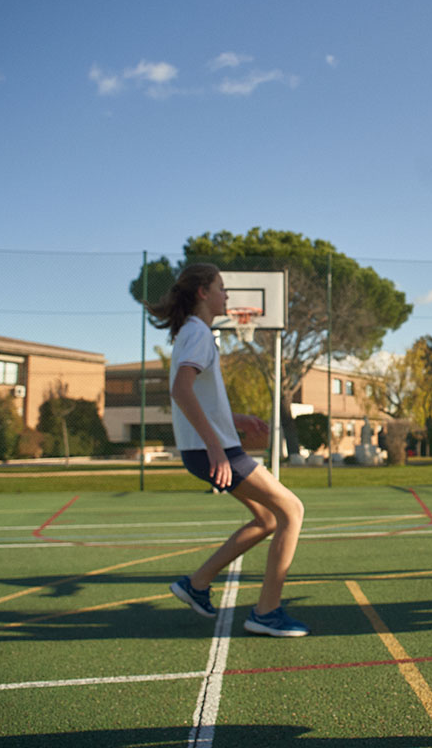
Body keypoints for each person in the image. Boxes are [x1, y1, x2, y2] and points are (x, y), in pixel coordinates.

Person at [150, 263, 310, 638]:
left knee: (268, 519)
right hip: (213, 450)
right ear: (203, 293)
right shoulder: (198, 333)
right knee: (292, 511)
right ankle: (267, 612)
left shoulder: (193, 333)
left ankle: (197, 584)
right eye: (221, 288)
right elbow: (181, 390)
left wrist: (235, 419)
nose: (227, 295)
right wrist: (216, 447)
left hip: (208, 448)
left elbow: (196, 396)